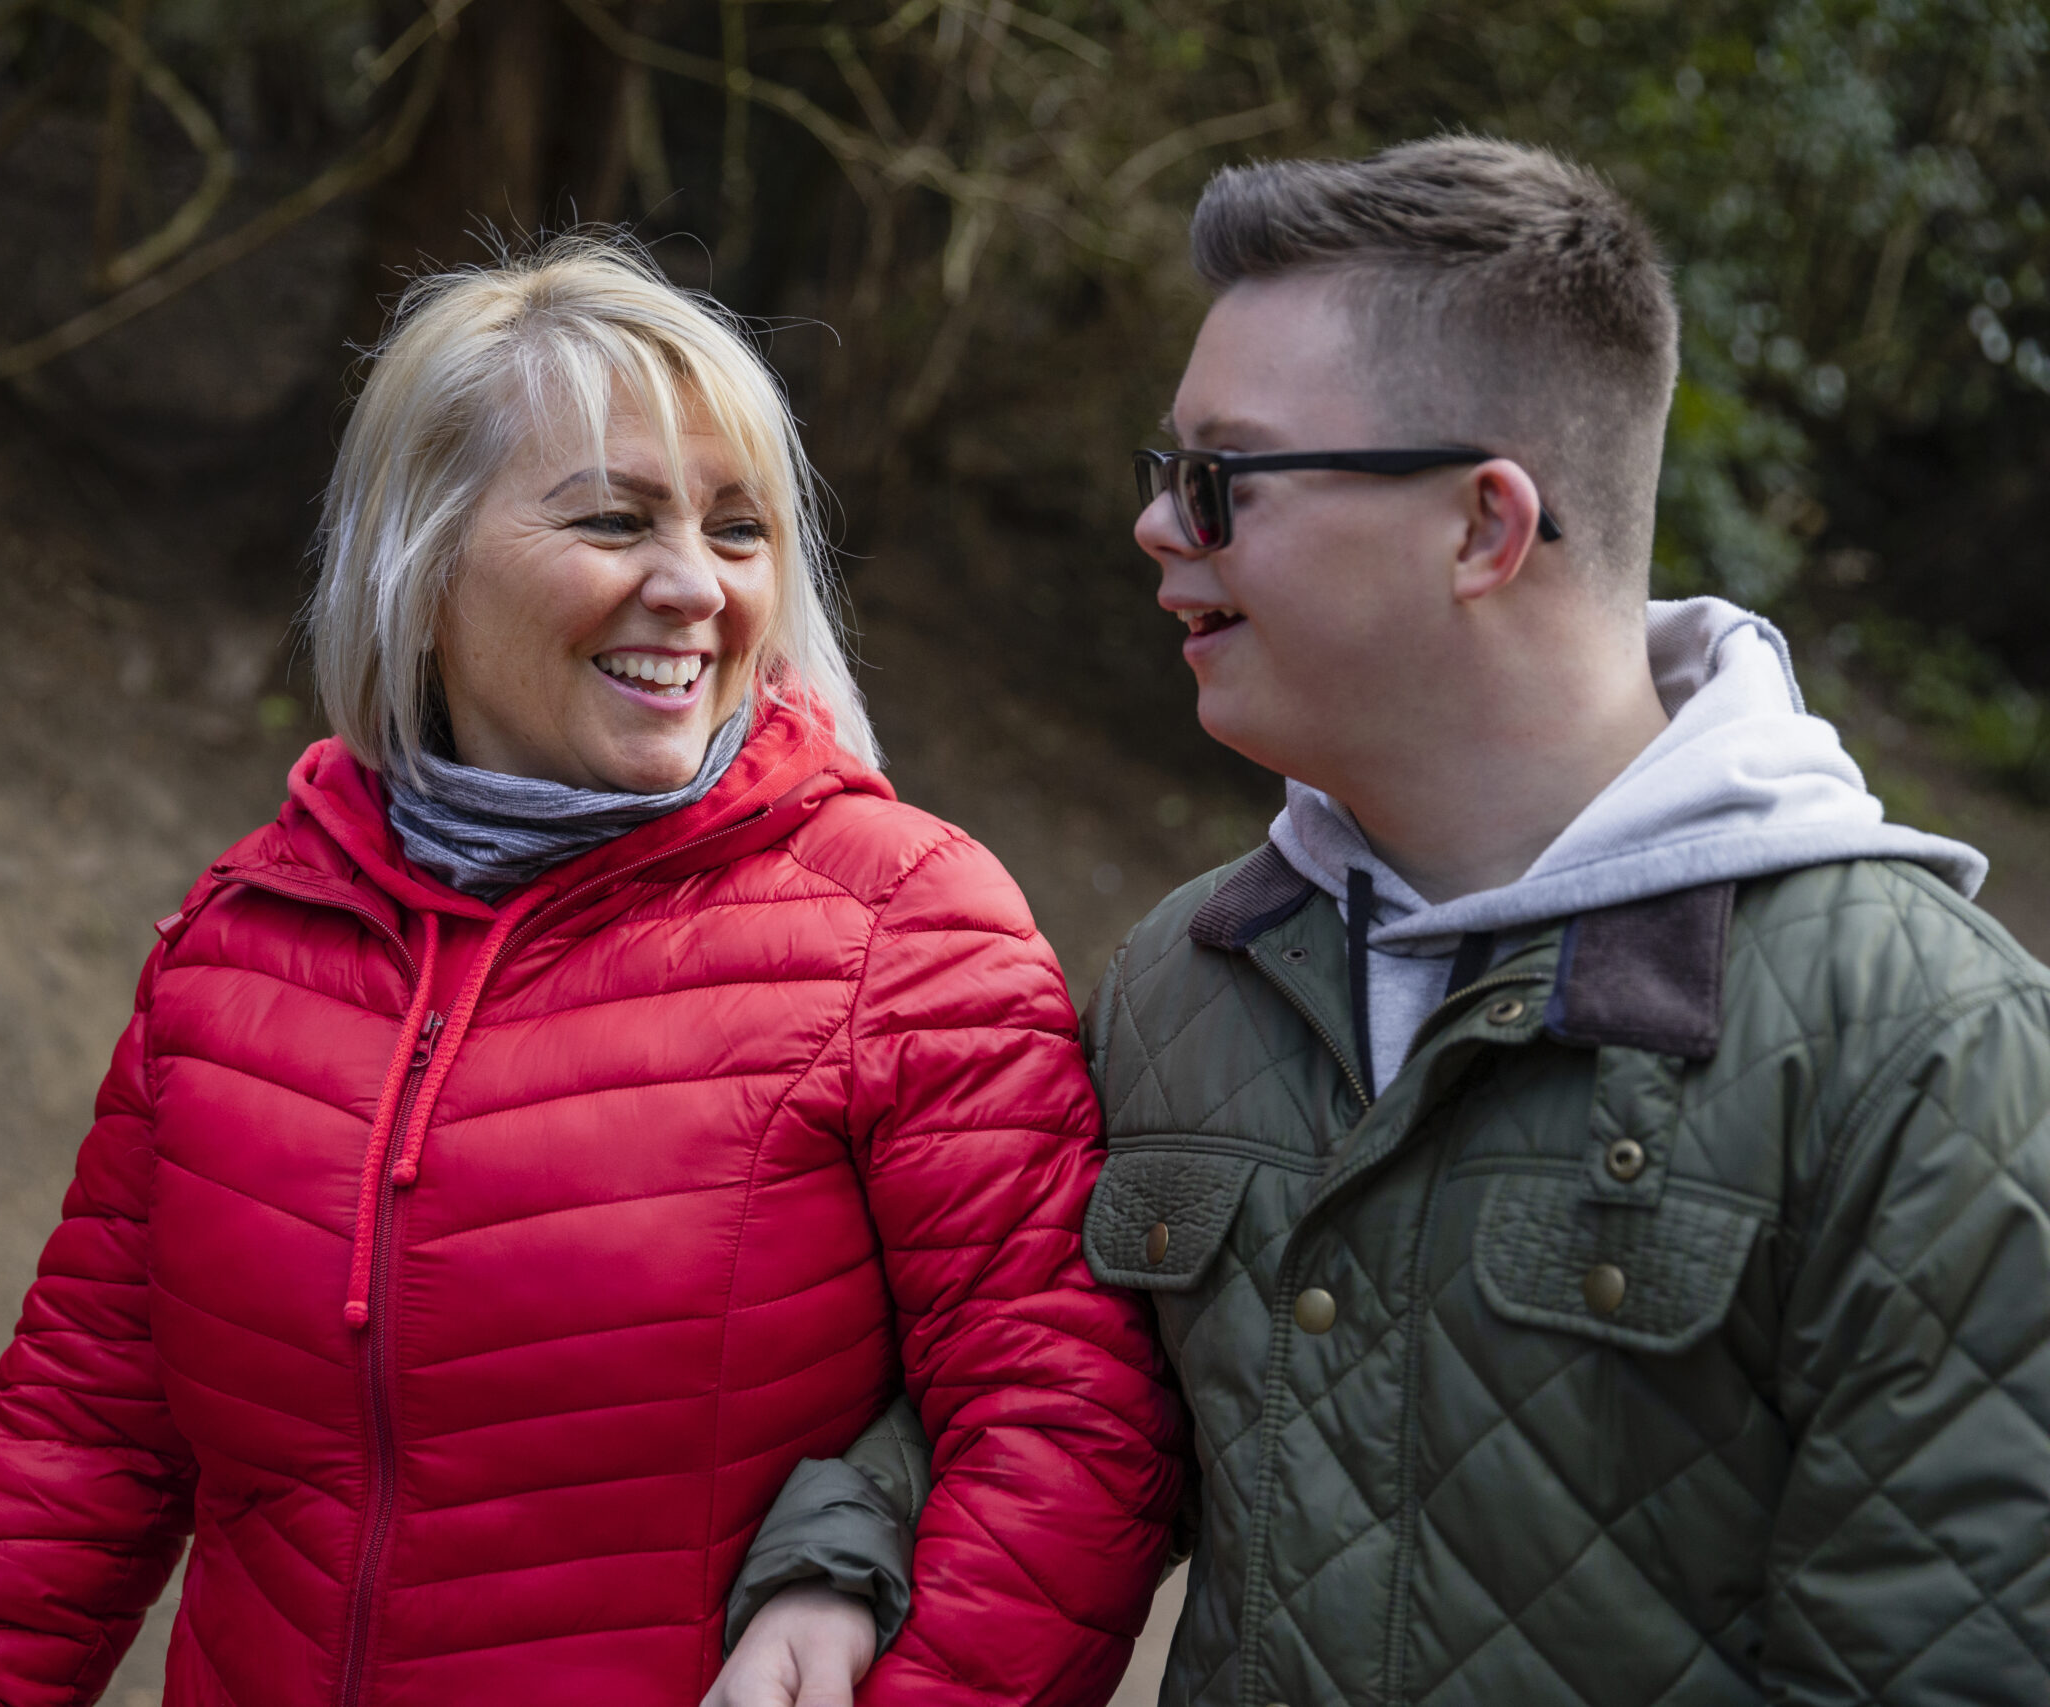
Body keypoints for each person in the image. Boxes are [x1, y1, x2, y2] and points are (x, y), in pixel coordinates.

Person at [720, 138, 2050, 1705]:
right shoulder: (1193, 979)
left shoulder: (1927, 1045)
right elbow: (1048, 1384)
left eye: (1219, 478)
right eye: (1165, 476)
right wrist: (840, 1554)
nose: (1158, 529)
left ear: (1484, 529)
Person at [0, 239, 1181, 1707]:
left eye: (739, 531)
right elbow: (74, 1452)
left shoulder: (905, 928)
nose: (693, 588)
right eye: (617, 520)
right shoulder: (240, 947)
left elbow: (1073, 1428)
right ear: (419, 562)